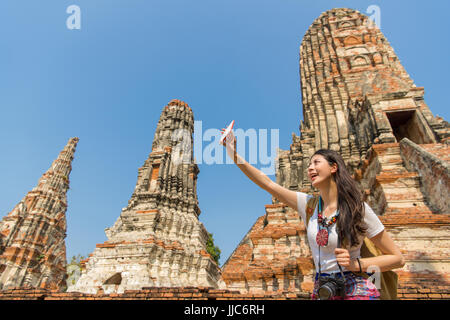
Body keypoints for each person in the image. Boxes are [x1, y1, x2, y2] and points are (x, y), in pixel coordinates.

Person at [220, 128, 405, 300]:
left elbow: (397, 258)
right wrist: (232, 153)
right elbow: (268, 183)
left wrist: (356, 264)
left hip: (356, 289)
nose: (310, 168)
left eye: (316, 162)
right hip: (323, 287)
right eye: (308, 164)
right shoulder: (309, 206)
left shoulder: (359, 209)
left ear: (334, 168)